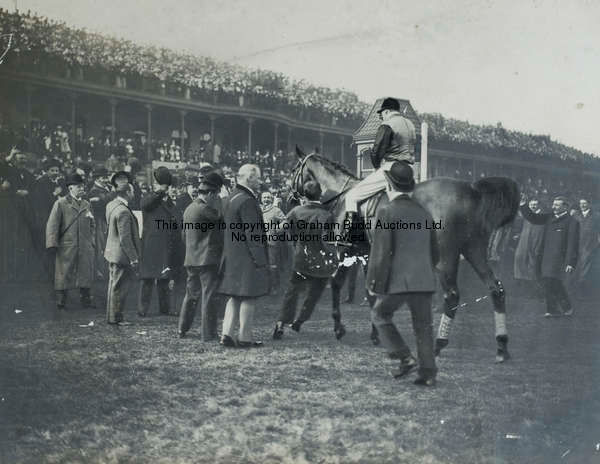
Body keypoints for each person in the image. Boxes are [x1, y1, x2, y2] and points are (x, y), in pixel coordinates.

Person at [366, 162, 439, 387]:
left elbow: (380, 253)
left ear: (389, 184)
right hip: (424, 279)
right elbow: (435, 252)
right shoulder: (424, 213)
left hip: (399, 280)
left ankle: (405, 357)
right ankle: (428, 373)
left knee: (379, 315)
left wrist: (374, 282)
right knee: (423, 326)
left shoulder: (387, 211)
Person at [272, 180, 338, 339]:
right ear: (319, 194)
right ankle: (299, 321)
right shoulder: (326, 215)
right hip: (321, 262)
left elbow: (280, 231)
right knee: (314, 294)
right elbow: (330, 240)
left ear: (304, 195)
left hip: (301, 259)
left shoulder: (296, 211)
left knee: (292, 292)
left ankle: (281, 323)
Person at [343, 98, 417, 231]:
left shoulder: (388, 124)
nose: (381, 117)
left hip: (391, 168)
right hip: (410, 170)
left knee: (351, 196)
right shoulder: (411, 124)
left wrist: (377, 166)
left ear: (387, 111)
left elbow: (377, 151)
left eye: (381, 113)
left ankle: (348, 234)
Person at [218, 164, 269, 348]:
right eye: (258, 178)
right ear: (249, 178)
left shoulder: (230, 198)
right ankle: (245, 337)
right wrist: (261, 260)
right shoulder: (248, 200)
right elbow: (253, 235)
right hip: (247, 257)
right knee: (248, 296)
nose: (260, 181)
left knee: (234, 296)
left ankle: (226, 334)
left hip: (232, 255)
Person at [178, 172, 224, 340]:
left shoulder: (189, 208)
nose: (217, 197)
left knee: (190, 295)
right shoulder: (206, 209)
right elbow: (221, 219)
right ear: (211, 193)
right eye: (217, 194)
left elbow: (184, 236)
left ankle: (182, 328)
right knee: (209, 296)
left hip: (191, 259)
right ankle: (208, 333)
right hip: (207, 260)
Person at [520, 195, 579, 317]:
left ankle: (559, 308)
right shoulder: (549, 217)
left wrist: (570, 262)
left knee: (552, 281)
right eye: (553, 204)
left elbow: (573, 244)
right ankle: (558, 309)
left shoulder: (572, 222)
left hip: (559, 259)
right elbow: (533, 218)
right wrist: (523, 205)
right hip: (544, 257)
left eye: (557, 205)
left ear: (565, 207)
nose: (554, 207)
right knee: (549, 282)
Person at [45, 173, 96, 310]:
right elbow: (52, 224)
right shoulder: (61, 203)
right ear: (70, 188)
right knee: (64, 272)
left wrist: (92, 241)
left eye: (83, 186)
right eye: (79, 187)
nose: (82, 189)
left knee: (85, 271)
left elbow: (92, 225)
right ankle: (61, 300)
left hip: (85, 245)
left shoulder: (87, 204)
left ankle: (86, 299)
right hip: (67, 244)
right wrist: (52, 244)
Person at [138, 166, 177, 317]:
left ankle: (164, 309)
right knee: (147, 278)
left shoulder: (169, 203)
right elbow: (145, 205)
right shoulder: (149, 198)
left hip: (164, 243)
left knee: (164, 278)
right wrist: (160, 192)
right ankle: (142, 310)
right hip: (151, 244)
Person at [104, 173, 141, 325]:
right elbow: (125, 238)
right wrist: (134, 258)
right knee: (119, 287)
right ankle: (116, 318)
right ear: (127, 192)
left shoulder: (111, 205)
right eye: (132, 191)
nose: (133, 194)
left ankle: (111, 316)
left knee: (113, 285)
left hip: (112, 252)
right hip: (121, 255)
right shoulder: (124, 211)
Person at [513, 199, 544, 294]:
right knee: (519, 260)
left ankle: (533, 290)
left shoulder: (541, 217)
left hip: (535, 243)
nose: (533, 206)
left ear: (539, 205)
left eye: (535, 204)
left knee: (532, 265)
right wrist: (518, 235)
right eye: (531, 204)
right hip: (523, 243)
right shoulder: (526, 216)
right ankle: (522, 288)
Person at [571, 198, 600, 296]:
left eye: (584, 203)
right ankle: (575, 289)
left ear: (589, 204)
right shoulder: (576, 215)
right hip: (577, 245)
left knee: (585, 268)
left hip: (589, 245)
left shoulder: (596, 216)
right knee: (576, 266)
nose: (582, 205)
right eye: (580, 203)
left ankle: (582, 290)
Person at [260, 191, 286, 293]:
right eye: (264, 198)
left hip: (271, 242)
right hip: (259, 242)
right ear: (261, 199)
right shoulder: (258, 209)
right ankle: (263, 286)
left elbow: (285, 221)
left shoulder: (276, 210)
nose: (266, 199)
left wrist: (277, 229)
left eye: (268, 198)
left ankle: (274, 287)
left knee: (272, 265)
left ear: (271, 199)